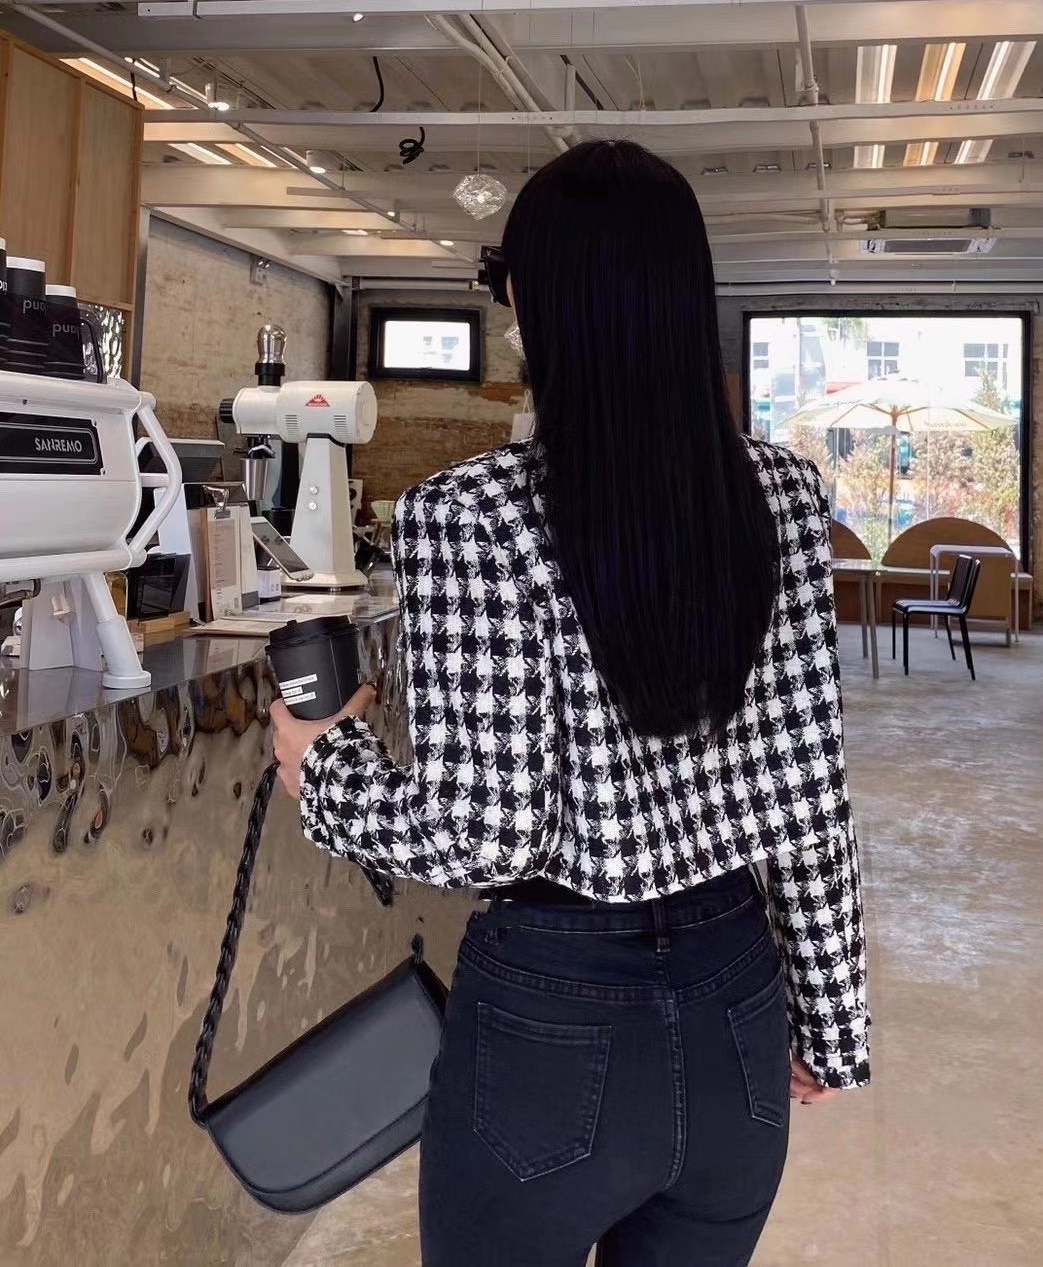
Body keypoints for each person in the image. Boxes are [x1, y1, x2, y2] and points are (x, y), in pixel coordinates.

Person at [271, 139, 869, 1267]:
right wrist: (832, 1024)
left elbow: (482, 834)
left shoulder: (469, 514)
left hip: (557, 1020)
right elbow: (809, 796)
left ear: (532, 304)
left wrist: (326, 773)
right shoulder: (786, 495)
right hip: (737, 1001)